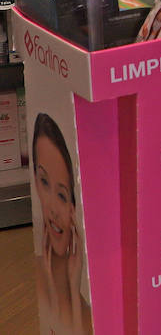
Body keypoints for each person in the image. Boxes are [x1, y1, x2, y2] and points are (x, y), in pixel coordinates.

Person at [33, 113, 92, 335]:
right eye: (44, 182)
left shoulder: (84, 301)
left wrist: (73, 288)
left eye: (62, 195)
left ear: (73, 209)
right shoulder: (37, 276)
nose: (52, 208)